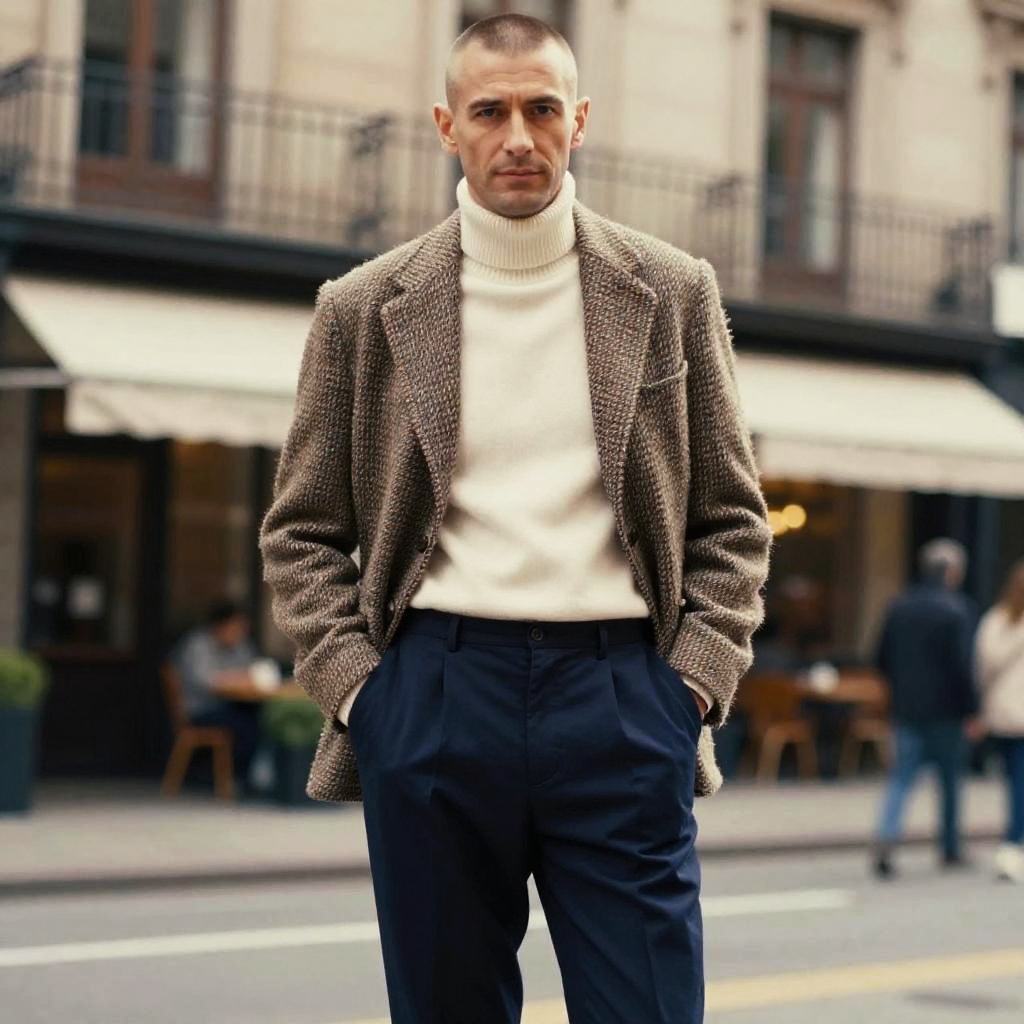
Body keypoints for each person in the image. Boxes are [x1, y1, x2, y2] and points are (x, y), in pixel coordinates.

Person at [259, 14, 771, 1023]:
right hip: (436, 696)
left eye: (542, 109)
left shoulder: (671, 289)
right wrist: (365, 695)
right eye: (490, 112)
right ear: (447, 125)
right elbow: (302, 530)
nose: (519, 138)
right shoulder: (362, 307)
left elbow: (731, 516)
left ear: (579, 120)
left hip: (624, 697)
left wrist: (690, 687)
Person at [872, 538, 979, 879]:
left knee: (901, 779)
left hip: (907, 708)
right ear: (952, 572)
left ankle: (887, 837)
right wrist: (972, 710)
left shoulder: (899, 607)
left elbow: (880, 658)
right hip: (947, 711)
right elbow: (963, 667)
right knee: (949, 783)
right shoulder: (957, 609)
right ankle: (949, 847)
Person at [170, 599, 267, 787]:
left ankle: (249, 777)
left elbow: (252, 671)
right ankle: (232, 777)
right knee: (246, 727)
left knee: (260, 718)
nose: (240, 632)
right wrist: (237, 678)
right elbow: (206, 681)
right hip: (201, 710)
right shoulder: (198, 645)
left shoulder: (241, 645)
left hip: (232, 705)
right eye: (236, 627)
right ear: (221, 625)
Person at [974, 559, 1024, 882]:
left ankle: (1012, 843)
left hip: (1001, 714)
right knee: (1020, 784)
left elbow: (982, 667)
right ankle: (1012, 844)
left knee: (1013, 781)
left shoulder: (995, 620)